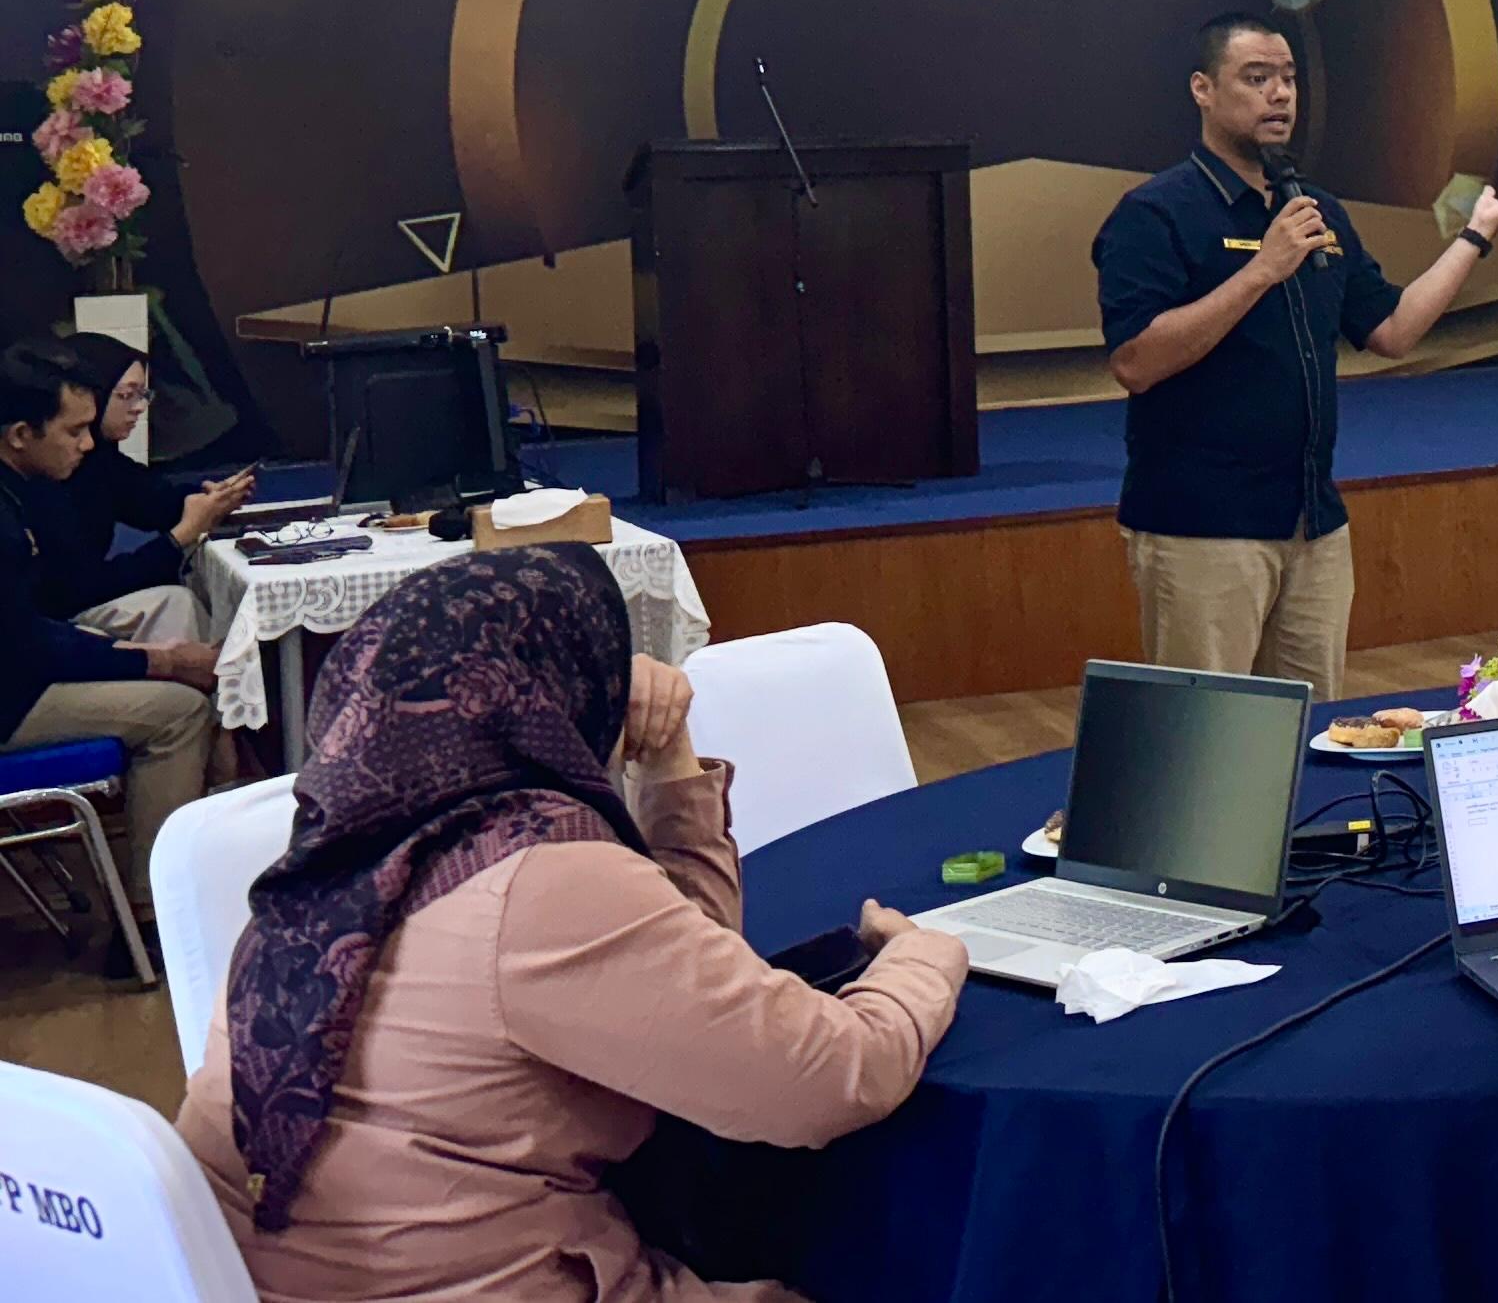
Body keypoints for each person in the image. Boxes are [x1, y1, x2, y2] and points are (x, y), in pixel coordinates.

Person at [174, 548, 966, 1303]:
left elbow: (687, 982)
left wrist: (667, 762)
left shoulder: (335, 860)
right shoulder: (539, 878)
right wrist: (920, 960)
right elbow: (827, 1079)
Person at [1093, 11, 1498, 696]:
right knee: (1207, 734)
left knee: (1314, 729)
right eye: (1256, 78)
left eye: (1288, 78)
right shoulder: (1156, 213)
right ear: (1202, 89)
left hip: (1313, 526)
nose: (1279, 94)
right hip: (1202, 528)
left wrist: (1476, 236)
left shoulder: (1316, 211)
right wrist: (1262, 269)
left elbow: (1392, 329)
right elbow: (1135, 361)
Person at [0, 338, 214, 898]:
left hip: (20, 671)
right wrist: (159, 662)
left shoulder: (19, 487)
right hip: (11, 699)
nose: (88, 443)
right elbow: (29, 647)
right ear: (20, 434)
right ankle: (158, 912)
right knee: (180, 713)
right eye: (73, 431)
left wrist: (134, 656)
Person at [23, 331, 253, 642]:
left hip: (74, 602)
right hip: (46, 621)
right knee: (176, 604)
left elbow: (150, 498)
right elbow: (74, 590)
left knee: (190, 587)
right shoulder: (44, 474)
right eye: (127, 395)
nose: (140, 407)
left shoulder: (99, 460)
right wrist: (178, 539)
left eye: (143, 394)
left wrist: (214, 497)